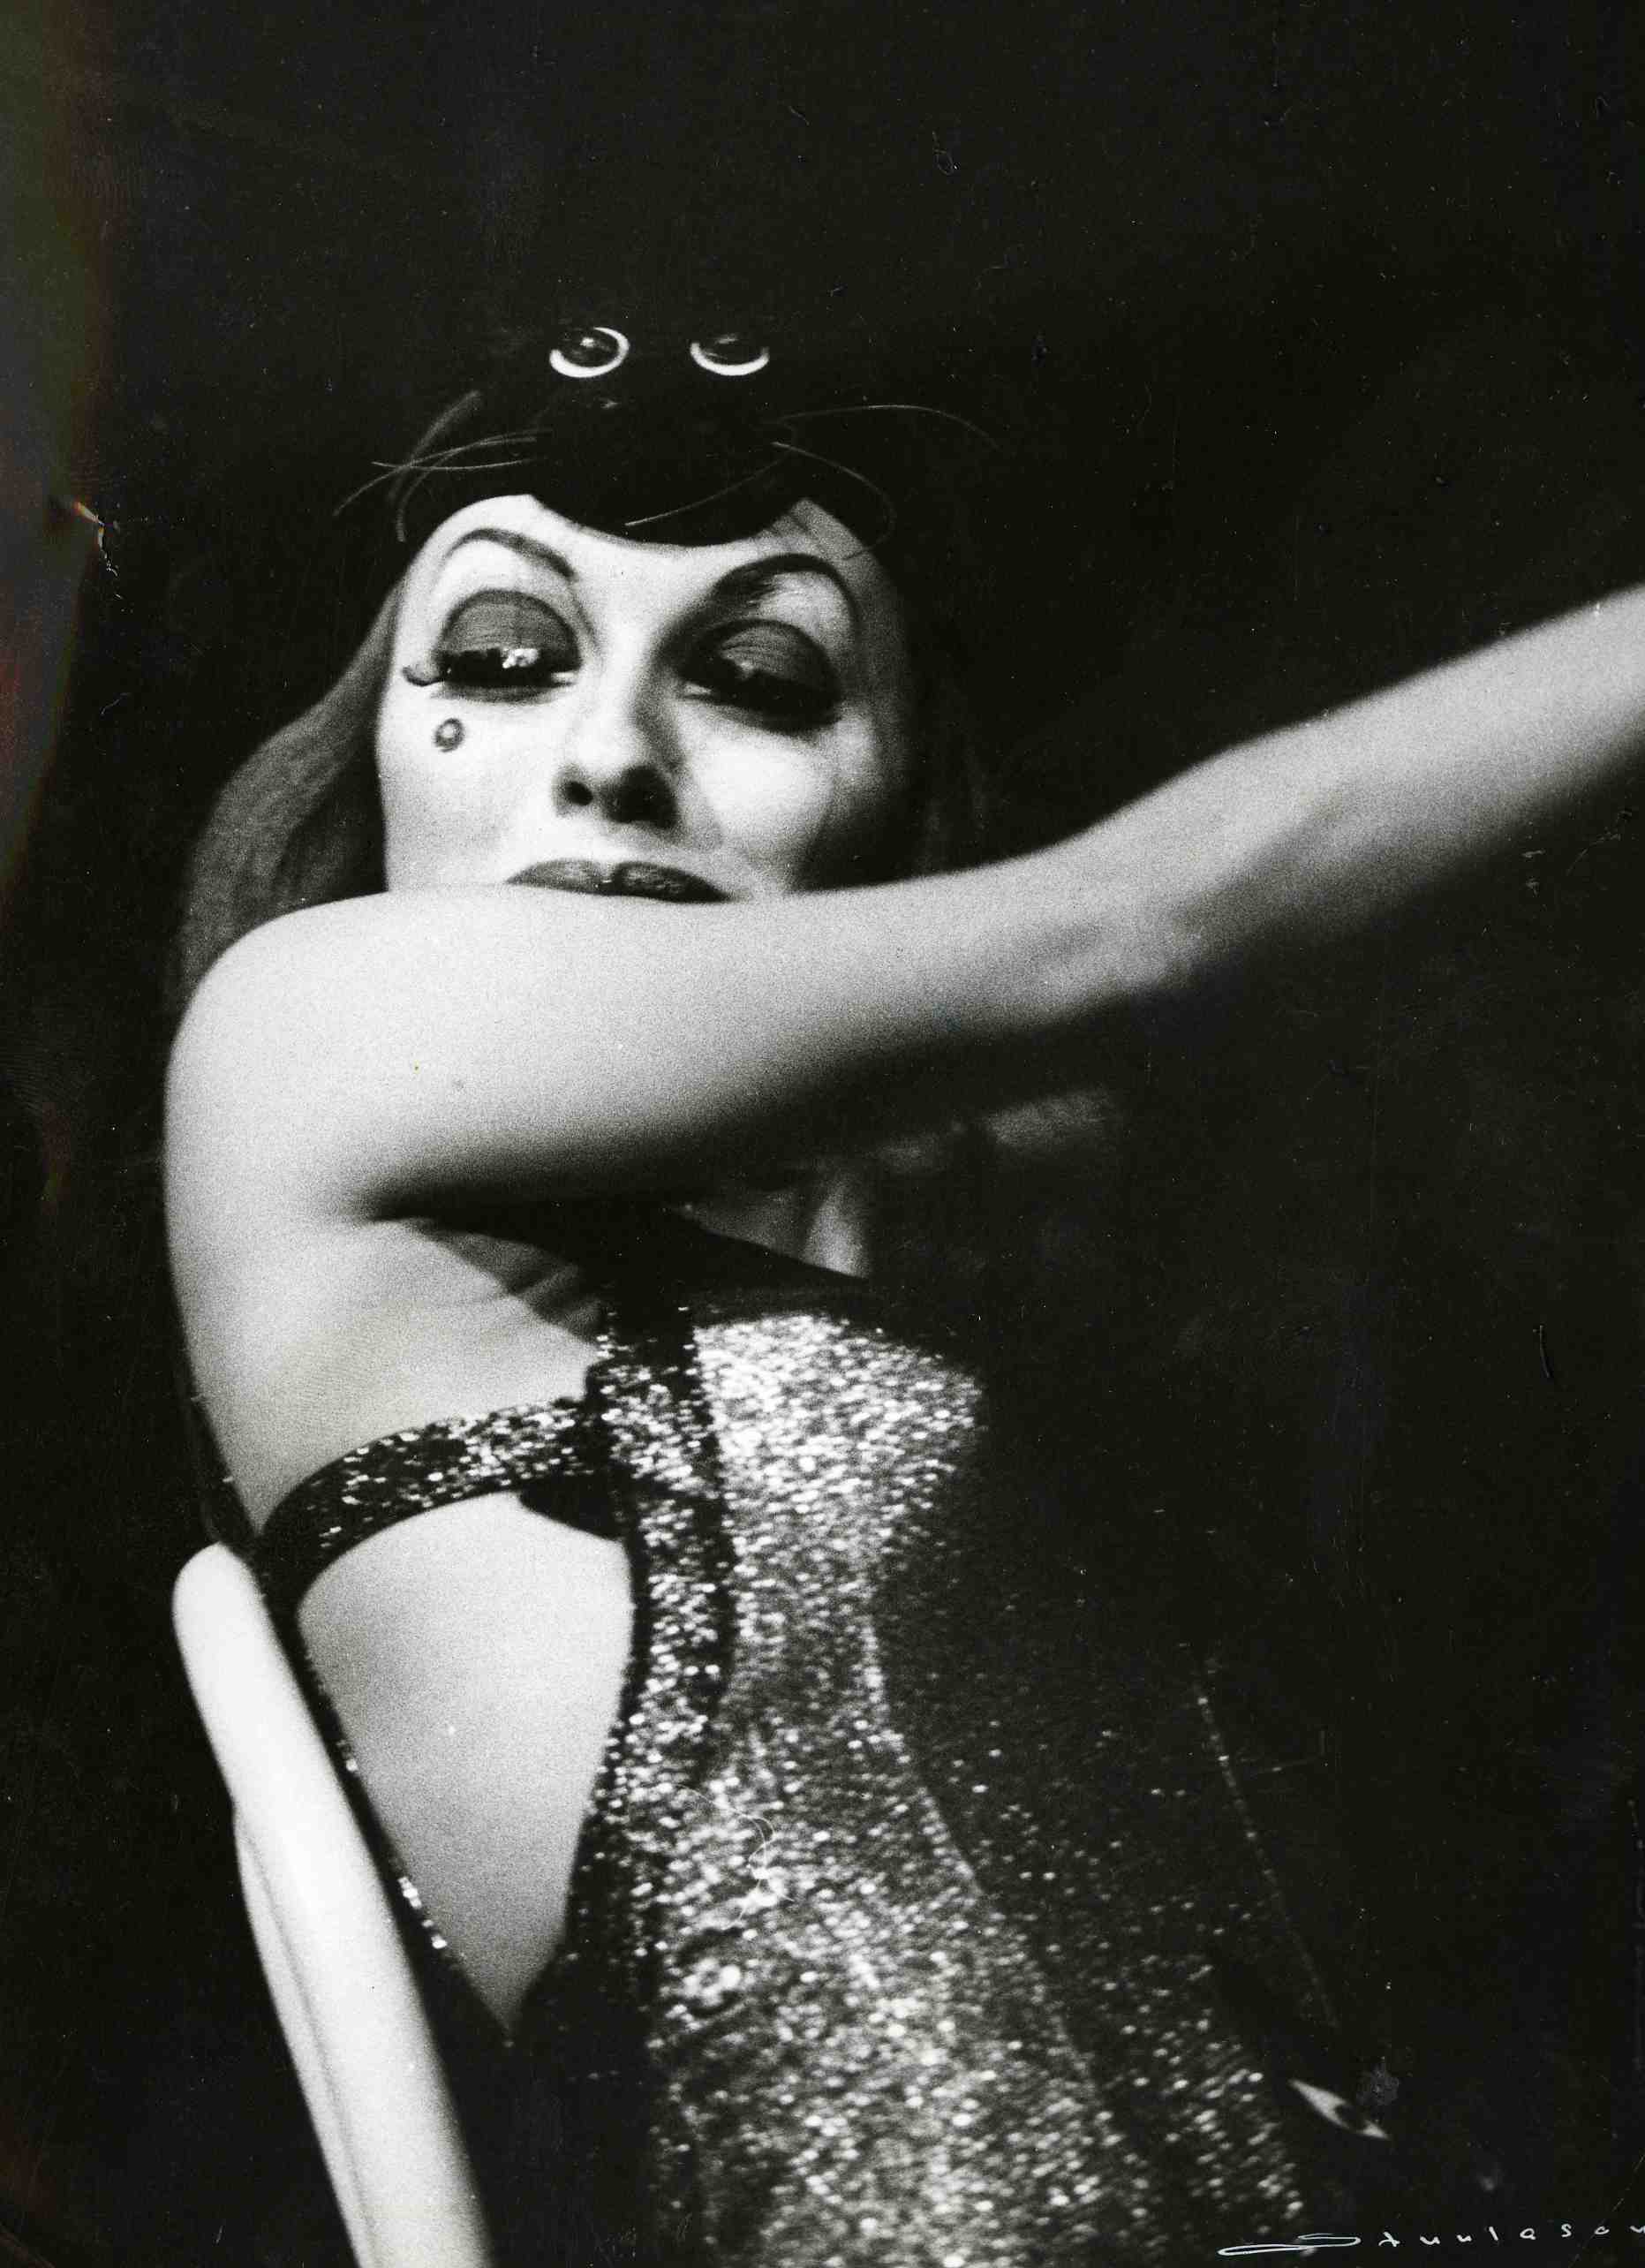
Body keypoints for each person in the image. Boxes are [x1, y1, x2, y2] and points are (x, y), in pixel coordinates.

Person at [165, 327, 1645, 2264]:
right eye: (507, 659)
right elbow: (1152, 917)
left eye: (760, 678)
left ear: (896, 800)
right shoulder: (301, 1036)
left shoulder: (1070, 1334)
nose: (609, 752)